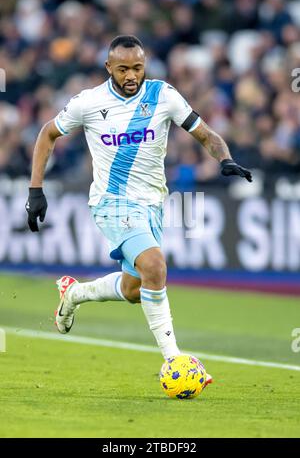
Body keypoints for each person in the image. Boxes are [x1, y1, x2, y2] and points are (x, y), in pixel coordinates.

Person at [26, 35, 252, 380]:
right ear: (108, 68)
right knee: (155, 266)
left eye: (137, 68)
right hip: (111, 203)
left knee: (135, 290)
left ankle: (73, 294)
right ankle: (175, 361)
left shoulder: (163, 95)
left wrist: (225, 159)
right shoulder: (89, 102)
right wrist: (35, 189)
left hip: (152, 204)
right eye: (123, 69)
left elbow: (206, 134)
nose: (131, 76)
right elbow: (47, 133)